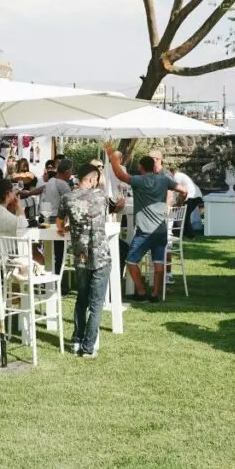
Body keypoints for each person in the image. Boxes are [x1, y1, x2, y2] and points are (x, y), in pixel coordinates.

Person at [106, 143, 186, 302]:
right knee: (158, 262)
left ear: (141, 167)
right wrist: (178, 204)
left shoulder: (139, 181)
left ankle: (141, 292)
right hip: (161, 229)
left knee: (130, 260)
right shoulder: (164, 179)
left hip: (144, 231)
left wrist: (112, 158)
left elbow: (121, 176)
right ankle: (155, 294)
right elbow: (184, 191)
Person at [57, 164, 111, 358]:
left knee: (81, 299)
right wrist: (100, 178)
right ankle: (89, 347)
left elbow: (59, 223)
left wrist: (65, 229)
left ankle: (77, 341)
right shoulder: (101, 196)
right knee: (96, 303)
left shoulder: (67, 198)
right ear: (93, 179)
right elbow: (111, 208)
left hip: (80, 255)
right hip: (101, 255)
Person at [170, 165, 203, 238]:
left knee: (184, 216)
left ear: (171, 172)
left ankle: (188, 235)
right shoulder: (179, 176)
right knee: (183, 215)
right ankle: (176, 232)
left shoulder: (177, 176)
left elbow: (177, 191)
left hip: (191, 197)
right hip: (194, 196)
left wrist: (177, 204)